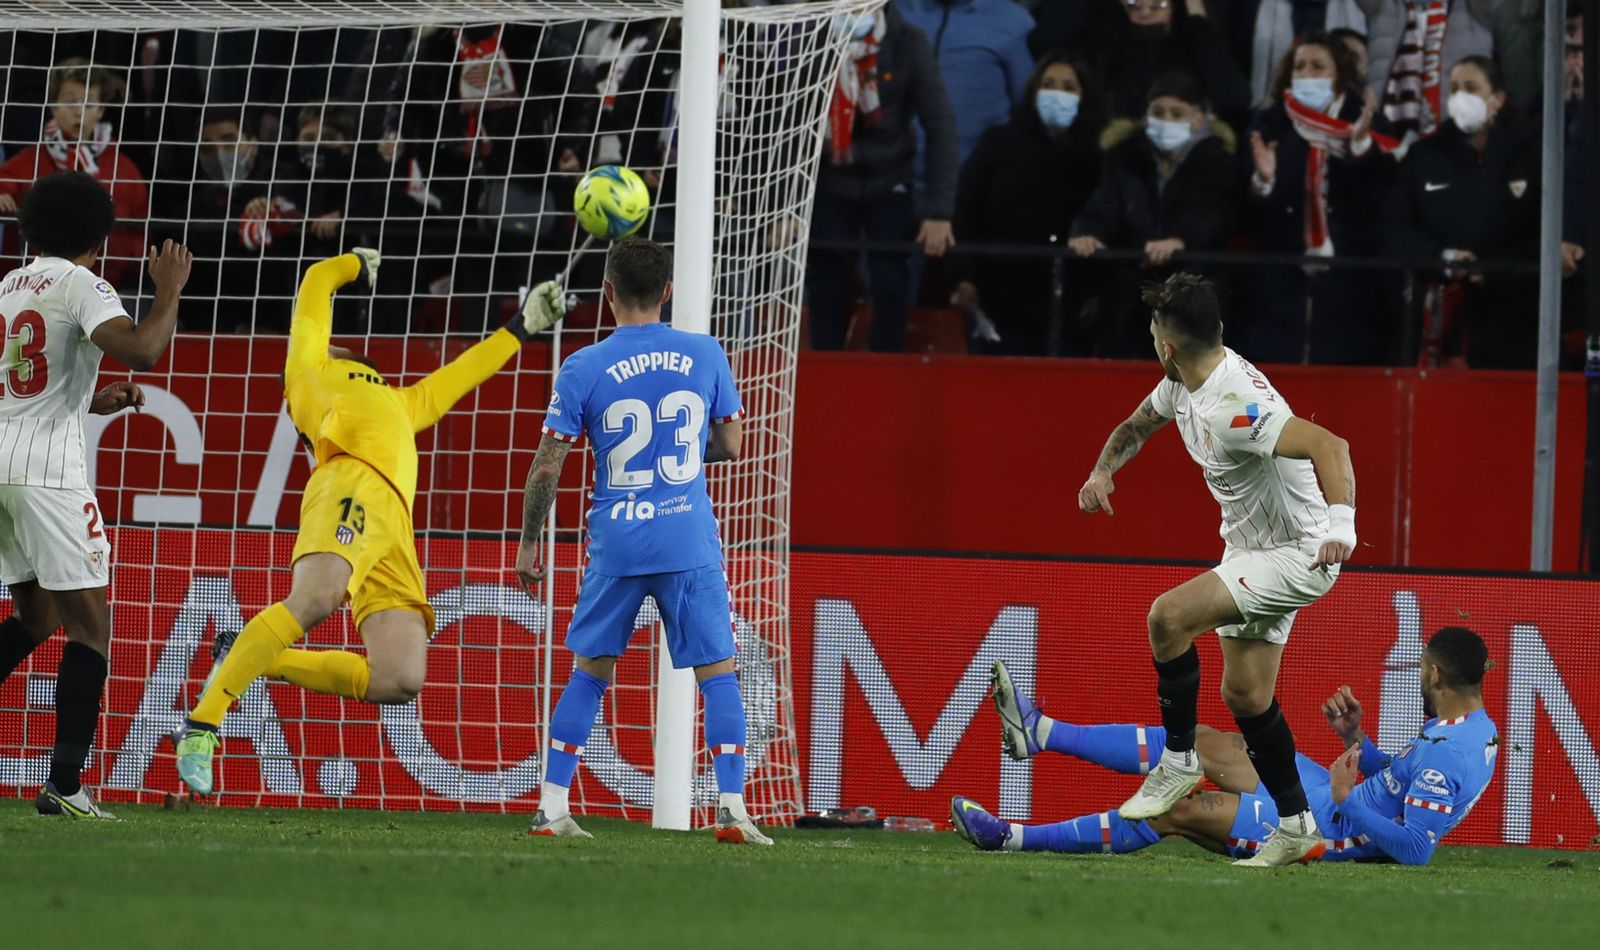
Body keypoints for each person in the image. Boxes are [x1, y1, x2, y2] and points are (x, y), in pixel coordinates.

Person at [172, 251, 567, 794]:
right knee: (316, 599)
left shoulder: (402, 401)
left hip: (395, 530)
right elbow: (316, 278)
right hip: (350, 485)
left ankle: (252, 657)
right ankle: (202, 726)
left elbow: (463, 372)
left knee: (400, 677)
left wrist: (522, 326)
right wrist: (355, 262)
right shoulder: (309, 372)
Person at [1074, 272, 1357, 867]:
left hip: (1298, 552)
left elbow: (1332, 445)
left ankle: (1177, 760)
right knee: (1247, 696)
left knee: (1167, 618)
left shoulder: (1235, 406)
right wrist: (1103, 471)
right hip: (1249, 549)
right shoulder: (1181, 383)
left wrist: (1340, 527)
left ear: (1165, 344)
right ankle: (1298, 824)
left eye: (1154, 332)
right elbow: (1135, 427)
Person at [513, 238, 770, 846]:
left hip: (618, 543)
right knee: (719, 673)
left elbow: (547, 466)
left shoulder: (583, 366)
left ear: (607, 294)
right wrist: (675, 459)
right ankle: (733, 807)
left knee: (590, 673)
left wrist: (529, 542)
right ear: (667, 293)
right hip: (688, 539)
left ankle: (553, 807)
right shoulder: (706, 353)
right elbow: (733, 445)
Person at [953, 627, 1499, 864]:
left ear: (1434, 674)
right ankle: (1041, 732)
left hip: (1330, 829)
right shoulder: (1470, 730)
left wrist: (1348, 798)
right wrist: (1358, 739)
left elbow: (1416, 847)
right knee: (1205, 743)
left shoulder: (1452, 752)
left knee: (1178, 809)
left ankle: (1010, 840)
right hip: (1326, 794)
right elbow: (1403, 783)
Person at [0, 172, 192, 819]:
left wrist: (93, 399)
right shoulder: (83, 283)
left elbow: (26, 385)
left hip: (2, 461)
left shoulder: (8, 286)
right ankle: (65, 783)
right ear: (98, 238)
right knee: (91, 628)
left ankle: (64, 783)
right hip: (47, 473)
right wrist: (167, 293)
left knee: (37, 620)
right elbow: (142, 349)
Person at [807, 6, 959, 352]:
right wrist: (783, 210)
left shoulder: (908, 42)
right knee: (826, 285)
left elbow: (941, 124)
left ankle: (886, 375)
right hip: (830, 180)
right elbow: (786, 128)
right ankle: (824, 380)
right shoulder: (813, 42)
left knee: (890, 285)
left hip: (890, 180)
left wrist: (939, 211)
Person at [1241, 33, 1394, 364]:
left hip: (1350, 279)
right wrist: (1264, 182)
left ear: (1339, 73)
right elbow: (1244, 210)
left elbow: (1381, 200)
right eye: (1300, 66)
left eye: (1318, 66)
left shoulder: (1365, 121)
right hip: (1279, 278)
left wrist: (1361, 150)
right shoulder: (1268, 123)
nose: (1307, 74)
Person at [1385, 55, 1540, 368]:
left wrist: (1494, 270)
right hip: (1440, 318)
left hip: (1515, 322)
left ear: (1497, 99)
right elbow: (1395, 229)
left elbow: (1542, 233)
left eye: (1471, 87)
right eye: (1454, 89)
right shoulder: (1423, 155)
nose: (1460, 97)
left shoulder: (1529, 153)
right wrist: (1443, 259)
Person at [1068, 72, 1237, 357]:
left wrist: (1181, 240)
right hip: (1130, 301)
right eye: (1158, 112)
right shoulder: (1125, 156)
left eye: (1176, 113)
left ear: (1198, 119)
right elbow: (1104, 204)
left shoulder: (1218, 161)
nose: (1166, 120)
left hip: (1194, 299)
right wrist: (1088, 232)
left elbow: (1218, 212)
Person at [949, 54, 1105, 355]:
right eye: (1048, 84)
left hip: (1069, 298)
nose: (1057, 93)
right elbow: (966, 209)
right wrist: (963, 276)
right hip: (998, 290)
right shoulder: (998, 142)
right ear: (1033, 91)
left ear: (1085, 96)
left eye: (1068, 87)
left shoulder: (1096, 153)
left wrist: (1096, 292)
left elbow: (1105, 221)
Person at [0, 59, 150, 288]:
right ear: (53, 106)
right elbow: (4, 180)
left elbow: (140, 224)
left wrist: (133, 264)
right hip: (33, 288)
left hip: (108, 286)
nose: (78, 112)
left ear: (101, 110)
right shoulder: (31, 159)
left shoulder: (124, 167)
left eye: (89, 104)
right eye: (70, 103)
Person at [893, 0, 1036, 163]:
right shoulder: (894, 12)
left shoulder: (1014, 21)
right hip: (893, 176)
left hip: (975, 177)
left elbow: (1027, 110)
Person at [1092, 0, 1251, 131]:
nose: (1145, 13)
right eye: (1135, 5)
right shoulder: (1111, 50)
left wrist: (1198, 21)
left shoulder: (1198, 48)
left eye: (1157, 6)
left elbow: (1234, 99)